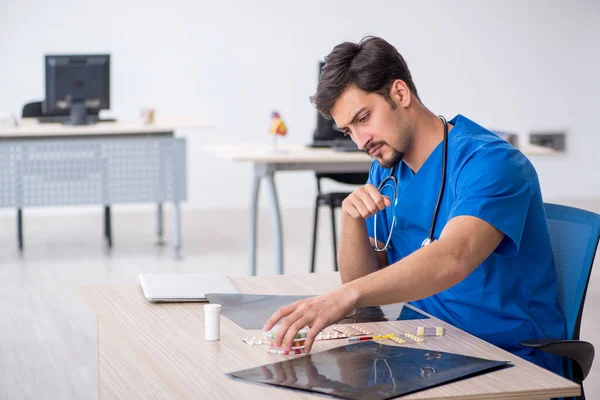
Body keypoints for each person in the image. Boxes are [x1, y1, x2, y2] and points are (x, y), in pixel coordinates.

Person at [263, 36, 566, 376]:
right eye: (349, 130)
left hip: (507, 359)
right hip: (423, 348)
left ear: (400, 93)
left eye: (363, 118)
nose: (361, 141)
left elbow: (454, 256)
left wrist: (342, 297)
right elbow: (363, 286)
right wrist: (352, 221)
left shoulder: (491, 162)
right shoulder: (386, 167)